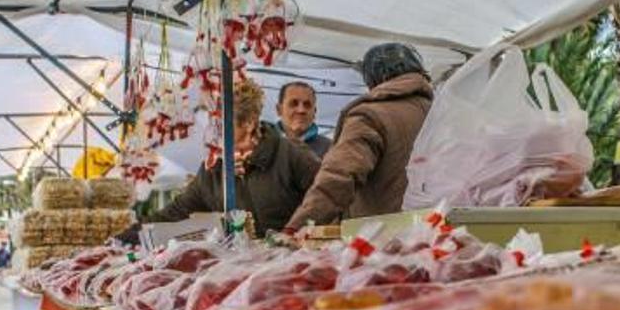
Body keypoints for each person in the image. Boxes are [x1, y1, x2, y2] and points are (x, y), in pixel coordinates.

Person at [118, 78, 320, 242]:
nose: (212, 130)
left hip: (296, 264)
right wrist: (122, 233)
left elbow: (325, 198)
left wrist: (290, 234)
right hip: (244, 269)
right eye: (212, 122)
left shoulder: (290, 154)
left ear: (249, 123)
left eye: (220, 122)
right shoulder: (213, 169)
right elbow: (174, 214)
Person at [285, 43, 434, 229]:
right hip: (439, 236)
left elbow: (338, 177)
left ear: (374, 78)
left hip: (383, 241)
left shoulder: (370, 116)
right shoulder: (440, 113)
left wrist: (297, 227)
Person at [276, 81, 332, 158]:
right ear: (279, 110)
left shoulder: (330, 149)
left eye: (307, 105)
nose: (301, 110)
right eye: (294, 104)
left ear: (314, 112)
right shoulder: (261, 143)